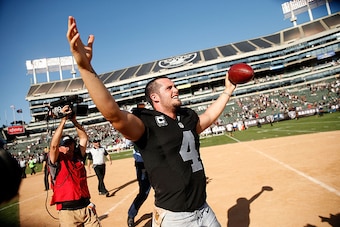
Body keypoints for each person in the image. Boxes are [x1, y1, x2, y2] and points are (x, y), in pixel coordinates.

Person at [67, 16, 236, 227]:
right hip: (176, 217)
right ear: (155, 97)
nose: (176, 89)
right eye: (169, 88)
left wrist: (227, 91)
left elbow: (208, 117)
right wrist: (85, 68)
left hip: (203, 208)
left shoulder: (187, 117)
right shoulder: (146, 123)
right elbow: (113, 114)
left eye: (174, 86)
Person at [48, 105, 101, 227]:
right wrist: (63, 120)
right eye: (65, 144)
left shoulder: (78, 156)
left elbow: (83, 137)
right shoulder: (56, 160)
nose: (68, 147)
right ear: (60, 147)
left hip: (85, 207)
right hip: (67, 213)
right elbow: (53, 146)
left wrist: (74, 120)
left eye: (70, 143)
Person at [127, 145, 151, 227]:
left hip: (156, 165)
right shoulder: (139, 135)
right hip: (142, 165)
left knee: (164, 191)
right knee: (143, 193)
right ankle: (131, 215)